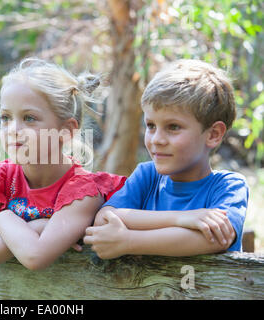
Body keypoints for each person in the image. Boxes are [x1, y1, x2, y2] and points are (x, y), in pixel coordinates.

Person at [0, 58, 126, 272]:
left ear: (66, 131)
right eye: (5, 117)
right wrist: (32, 226)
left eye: (29, 118)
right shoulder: (1, 179)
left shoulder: (82, 191)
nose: (13, 129)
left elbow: (35, 256)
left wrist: (2, 218)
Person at [84, 59, 249, 259]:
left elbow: (214, 239)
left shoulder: (228, 187)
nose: (157, 139)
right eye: (151, 125)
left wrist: (128, 241)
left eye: (173, 127)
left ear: (213, 134)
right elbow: (104, 218)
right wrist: (183, 218)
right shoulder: (147, 176)